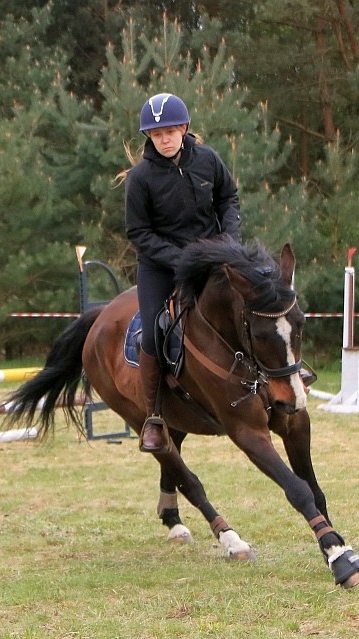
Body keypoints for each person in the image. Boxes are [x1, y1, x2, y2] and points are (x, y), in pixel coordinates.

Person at [125, 92, 242, 453]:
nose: (164, 139)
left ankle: (286, 375)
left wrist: (231, 243)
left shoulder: (208, 159)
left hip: (214, 257)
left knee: (254, 301)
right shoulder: (140, 178)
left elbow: (229, 198)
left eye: (170, 131)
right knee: (153, 333)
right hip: (162, 267)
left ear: (184, 129)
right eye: (157, 134)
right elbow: (139, 233)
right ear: (150, 137)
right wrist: (182, 259)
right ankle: (154, 417)